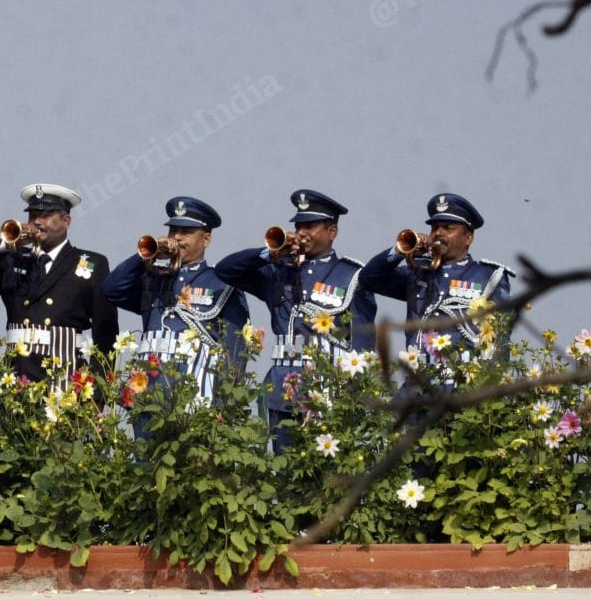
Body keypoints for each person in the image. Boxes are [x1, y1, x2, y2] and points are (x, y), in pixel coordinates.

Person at [216, 190, 376, 452]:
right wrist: (268, 253)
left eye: (310, 226)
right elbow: (225, 270)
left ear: (331, 231)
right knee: (287, 478)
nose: (302, 233)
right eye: (299, 226)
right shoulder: (277, 271)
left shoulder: (352, 276)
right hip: (282, 388)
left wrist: (356, 393)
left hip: (329, 391)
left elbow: (363, 339)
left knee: (326, 476)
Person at [101, 197, 249, 433]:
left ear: (206, 239)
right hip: (148, 399)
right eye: (173, 230)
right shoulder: (153, 278)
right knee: (145, 469)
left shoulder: (221, 283)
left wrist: (225, 407)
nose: (177, 237)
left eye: (187, 232)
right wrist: (144, 256)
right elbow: (111, 290)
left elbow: (235, 352)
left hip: (196, 401)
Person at [0, 183, 118, 385]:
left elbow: (106, 332)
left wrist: (99, 394)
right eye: (32, 216)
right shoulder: (14, 261)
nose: (37, 222)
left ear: (66, 221)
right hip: (17, 378)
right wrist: (5, 243)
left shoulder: (91, 264)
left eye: (46, 216)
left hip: (63, 379)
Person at [358, 193, 512, 358]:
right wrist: (400, 251)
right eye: (434, 228)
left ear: (468, 238)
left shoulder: (489, 277)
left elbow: (500, 341)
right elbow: (369, 278)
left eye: (447, 227)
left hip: (463, 379)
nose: (438, 233)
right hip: (417, 378)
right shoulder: (418, 272)